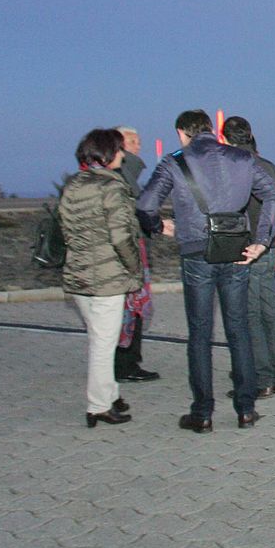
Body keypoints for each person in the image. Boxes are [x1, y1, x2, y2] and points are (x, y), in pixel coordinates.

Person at [137, 109, 275, 432]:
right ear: (209, 129)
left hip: (196, 253)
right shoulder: (241, 159)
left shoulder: (174, 162)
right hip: (236, 252)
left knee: (200, 335)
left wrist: (160, 227)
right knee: (239, 330)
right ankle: (245, 409)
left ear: (181, 132)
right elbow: (272, 195)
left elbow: (145, 205)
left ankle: (202, 413)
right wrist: (262, 241)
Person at [58, 128, 141, 428]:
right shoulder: (111, 187)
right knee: (104, 345)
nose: (123, 155)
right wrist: (135, 268)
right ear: (107, 153)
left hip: (79, 274)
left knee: (99, 338)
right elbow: (121, 237)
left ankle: (111, 393)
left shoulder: (73, 185)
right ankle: (98, 406)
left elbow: (66, 230)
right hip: (106, 278)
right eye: (119, 150)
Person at [224, 116, 275, 397]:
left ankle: (260, 378)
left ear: (226, 139)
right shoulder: (269, 167)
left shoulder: (231, 169)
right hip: (270, 249)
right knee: (271, 311)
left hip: (245, 249)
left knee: (250, 314)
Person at [112, 126, 159, 383]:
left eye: (139, 140)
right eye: (132, 140)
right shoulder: (121, 174)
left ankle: (126, 362)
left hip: (130, 251)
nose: (138, 145)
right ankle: (125, 365)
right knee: (129, 310)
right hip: (128, 254)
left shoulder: (127, 172)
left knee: (131, 310)